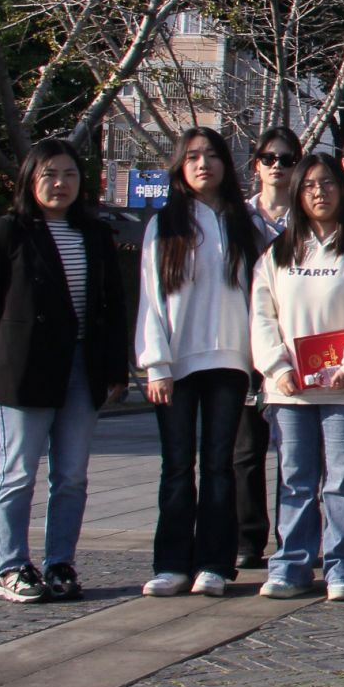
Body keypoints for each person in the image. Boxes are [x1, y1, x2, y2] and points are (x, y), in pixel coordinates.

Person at [0, 140, 130, 603]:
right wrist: (7, 350)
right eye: (50, 175)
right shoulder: (10, 230)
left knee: (72, 474)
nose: (60, 184)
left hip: (83, 365)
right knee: (18, 472)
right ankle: (9, 567)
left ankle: (61, 563)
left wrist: (114, 367)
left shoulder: (94, 233)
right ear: (30, 179)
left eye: (70, 174)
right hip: (25, 368)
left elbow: (112, 305)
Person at [249, 154, 344, 602]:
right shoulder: (279, 251)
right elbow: (262, 314)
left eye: (327, 183)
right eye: (309, 185)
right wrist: (276, 367)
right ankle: (291, 564)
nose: (319, 192)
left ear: (342, 188)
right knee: (296, 479)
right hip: (291, 389)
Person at [136, 127, 263, 597]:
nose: (202, 164)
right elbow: (151, 298)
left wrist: (258, 361)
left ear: (226, 164)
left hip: (229, 361)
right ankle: (171, 563)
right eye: (192, 157)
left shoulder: (241, 223)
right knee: (176, 466)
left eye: (211, 155)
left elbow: (257, 296)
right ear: (179, 166)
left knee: (218, 465)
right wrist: (156, 364)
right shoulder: (164, 225)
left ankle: (214, 563)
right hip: (176, 365)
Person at [235, 125, 302, 570]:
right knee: (245, 450)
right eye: (269, 158)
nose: (277, 166)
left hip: (297, 347)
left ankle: (292, 538)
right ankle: (247, 538)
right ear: (256, 164)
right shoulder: (237, 218)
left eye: (286, 159)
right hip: (245, 343)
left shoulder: (308, 219)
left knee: (295, 452)